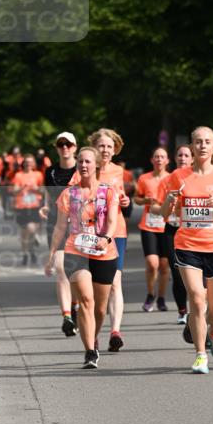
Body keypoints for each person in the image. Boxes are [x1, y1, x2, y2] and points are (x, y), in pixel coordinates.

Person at [159, 126, 213, 374]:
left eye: (207, 141)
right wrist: (169, 202)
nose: (202, 145)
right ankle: (200, 355)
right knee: (196, 298)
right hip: (187, 245)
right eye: (198, 141)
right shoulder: (178, 176)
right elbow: (165, 215)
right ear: (192, 146)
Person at [46, 146, 119, 369]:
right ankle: (89, 351)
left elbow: (112, 222)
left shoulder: (108, 191)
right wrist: (51, 255)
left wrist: (106, 238)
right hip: (76, 251)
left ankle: (93, 337)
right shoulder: (68, 194)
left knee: (100, 308)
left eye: (88, 161)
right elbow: (60, 227)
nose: (83, 165)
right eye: (80, 162)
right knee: (86, 300)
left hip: (104, 252)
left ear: (96, 164)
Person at [86, 129, 131, 351]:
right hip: (90, 233)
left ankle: (115, 332)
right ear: (94, 147)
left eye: (109, 147)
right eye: (101, 146)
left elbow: (122, 196)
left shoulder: (118, 171)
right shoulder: (86, 169)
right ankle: (93, 332)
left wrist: (125, 200)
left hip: (116, 232)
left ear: (115, 150)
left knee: (115, 282)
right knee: (95, 287)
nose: (105, 150)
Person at [39, 132, 80, 336]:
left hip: (79, 225)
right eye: (61, 144)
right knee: (60, 267)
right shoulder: (50, 171)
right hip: (56, 224)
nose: (65, 148)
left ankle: (74, 305)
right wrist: (45, 207)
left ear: (75, 147)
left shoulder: (82, 168)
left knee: (76, 273)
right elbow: (48, 195)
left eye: (68, 144)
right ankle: (67, 317)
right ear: (56, 148)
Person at [156, 144, 194, 324]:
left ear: (192, 159)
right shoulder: (167, 179)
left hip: (192, 229)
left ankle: (196, 308)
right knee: (177, 270)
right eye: (180, 155)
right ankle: (182, 310)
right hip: (171, 229)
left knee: (194, 272)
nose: (183, 158)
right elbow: (158, 206)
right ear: (175, 158)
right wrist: (168, 203)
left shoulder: (197, 178)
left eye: (186, 155)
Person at [134, 146, 171, 312]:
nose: (159, 159)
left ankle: (161, 298)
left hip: (166, 225)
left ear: (167, 160)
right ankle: (150, 294)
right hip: (148, 225)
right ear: (152, 160)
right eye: (156, 156)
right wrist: (145, 201)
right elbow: (136, 198)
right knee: (151, 263)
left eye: (162, 157)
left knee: (164, 265)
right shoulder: (144, 178)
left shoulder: (172, 178)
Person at [11, 155, 45, 265]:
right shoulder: (18, 175)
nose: (28, 164)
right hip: (22, 206)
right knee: (24, 233)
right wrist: (23, 187)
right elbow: (14, 191)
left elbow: (43, 190)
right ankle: (26, 254)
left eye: (31, 162)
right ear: (23, 163)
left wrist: (36, 189)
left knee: (31, 230)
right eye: (26, 162)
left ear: (34, 164)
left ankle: (31, 249)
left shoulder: (38, 175)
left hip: (35, 206)